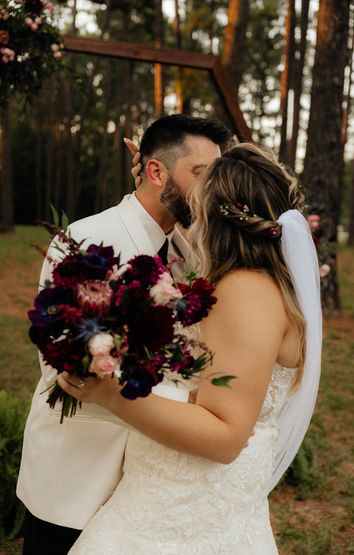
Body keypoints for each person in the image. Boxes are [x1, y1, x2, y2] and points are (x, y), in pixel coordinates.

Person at [58, 142, 322, 554]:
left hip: (182, 520)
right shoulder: (262, 286)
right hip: (187, 507)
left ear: (217, 220)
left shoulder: (246, 293)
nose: (189, 220)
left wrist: (110, 395)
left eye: (196, 209)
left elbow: (225, 437)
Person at [17, 114, 231, 555]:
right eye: (201, 174)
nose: (212, 187)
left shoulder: (193, 252)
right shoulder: (86, 239)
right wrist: (193, 408)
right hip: (75, 481)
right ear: (156, 171)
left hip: (151, 488)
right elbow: (65, 363)